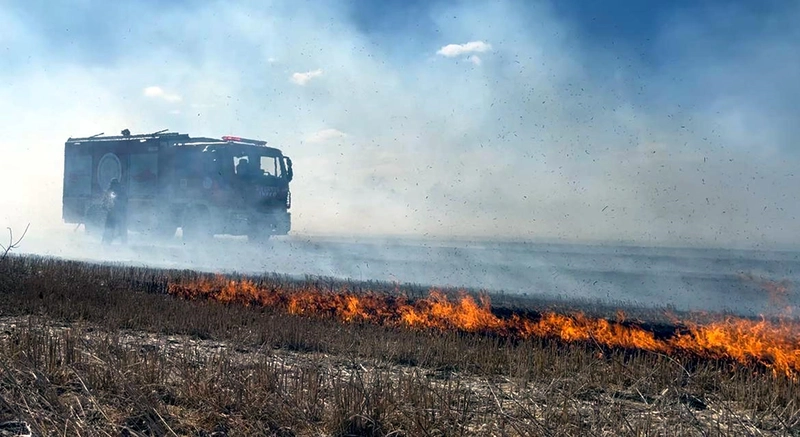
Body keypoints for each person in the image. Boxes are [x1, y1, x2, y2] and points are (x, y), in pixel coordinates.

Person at [102, 178, 128, 244]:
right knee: (110, 228)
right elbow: (105, 201)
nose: (113, 186)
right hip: (113, 212)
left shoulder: (120, 191)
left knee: (118, 227)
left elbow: (124, 201)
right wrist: (105, 206)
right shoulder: (111, 191)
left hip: (118, 212)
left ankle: (123, 242)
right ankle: (107, 241)